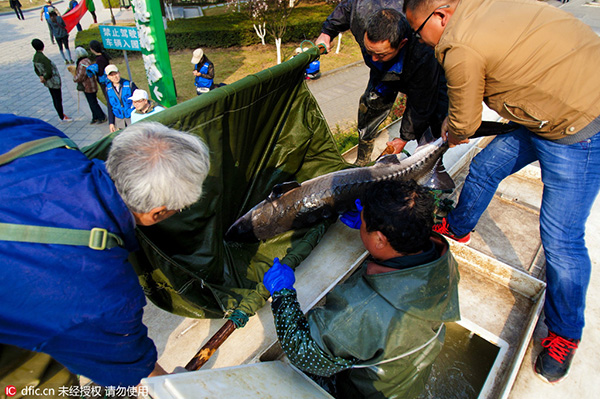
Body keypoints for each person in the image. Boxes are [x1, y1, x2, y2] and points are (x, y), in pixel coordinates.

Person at [403, 0, 600, 384]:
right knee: (487, 166)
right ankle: (459, 226)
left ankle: (564, 335)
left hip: (578, 122)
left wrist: (449, 130)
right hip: (547, 103)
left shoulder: (458, 45)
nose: (419, 40)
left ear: (440, 16)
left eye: (417, 30)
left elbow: (463, 122)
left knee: (560, 238)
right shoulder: (482, 4)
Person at [0, 115, 211, 393]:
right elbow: (138, 373)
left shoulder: (38, 136)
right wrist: (174, 387)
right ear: (157, 213)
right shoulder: (105, 298)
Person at [263, 180, 460, 398]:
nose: (361, 224)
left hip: (370, 392)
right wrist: (371, 230)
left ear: (379, 239)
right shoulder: (441, 258)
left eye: (364, 222)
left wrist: (283, 294)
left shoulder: (361, 310)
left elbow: (303, 352)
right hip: (408, 375)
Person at [316, 1, 448, 166]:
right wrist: (327, 33)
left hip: (425, 78)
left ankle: (434, 167)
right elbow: (346, 8)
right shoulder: (361, 12)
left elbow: (421, 102)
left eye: (380, 54)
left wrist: (404, 138)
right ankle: (362, 161)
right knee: (370, 106)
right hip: (384, 74)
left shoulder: (423, 50)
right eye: (369, 51)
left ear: (402, 43)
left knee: (436, 122)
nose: (373, 59)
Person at [31, 39, 72, 123]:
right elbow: (49, 72)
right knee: (58, 99)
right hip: (53, 81)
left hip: (48, 82)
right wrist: (45, 77)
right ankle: (62, 117)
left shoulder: (35, 57)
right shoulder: (43, 58)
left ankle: (60, 114)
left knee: (54, 98)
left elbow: (36, 70)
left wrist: (41, 77)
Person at [70, 46, 107, 124]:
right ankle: (95, 117)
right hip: (92, 84)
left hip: (88, 86)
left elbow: (81, 75)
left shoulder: (82, 63)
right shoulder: (87, 60)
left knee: (92, 102)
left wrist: (74, 78)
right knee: (92, 101)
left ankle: (101, 116)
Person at [105, 64, 138, 133]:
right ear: (108, 77)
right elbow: (110, 106)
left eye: (116, 74)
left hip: (132, 117)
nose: (115, 77)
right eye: (111, 75)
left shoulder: (130, 85)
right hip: (119, 120)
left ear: (119, 73)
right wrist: (111, 123)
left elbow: (139, 99)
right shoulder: (108, 89)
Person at [87, 39, 114, 123]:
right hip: (107, 81)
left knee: (109, 99)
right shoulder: (103, 56)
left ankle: (113, 118)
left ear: (92, 49)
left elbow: (101, 71)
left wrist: (94, 69)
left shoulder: (100, 59)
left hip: (105, 82)